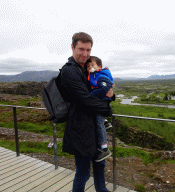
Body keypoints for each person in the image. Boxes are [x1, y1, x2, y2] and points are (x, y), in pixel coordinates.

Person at [61, 32, 114, 192]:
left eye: (88, 50)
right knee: (83, 173)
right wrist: (107, 108)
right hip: (81, 131)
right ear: (72, 47)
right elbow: (86, 100)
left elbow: (100, 89)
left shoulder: (87, 70)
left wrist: (112, 94)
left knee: (100, 168)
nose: (85, 54)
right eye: (81, 49)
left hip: (95, 129)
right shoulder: (70, 71)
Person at [86, 56, 114, 162]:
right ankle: (106, 122)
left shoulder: (100, 76)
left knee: (99, 123)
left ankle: (104, 148)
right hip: (101, 103)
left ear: (99, 66)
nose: (90, 67)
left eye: (92, 65)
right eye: (88, 66)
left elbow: (105, 89)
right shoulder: (94, 75)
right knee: (100, 122)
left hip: (102, 103)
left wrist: (90, 95)